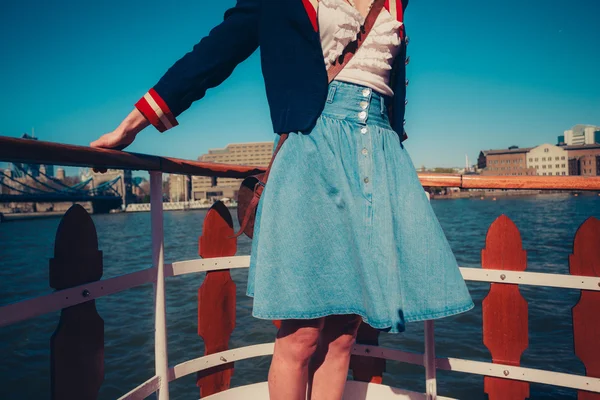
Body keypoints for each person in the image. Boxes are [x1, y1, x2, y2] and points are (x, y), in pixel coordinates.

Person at [91, 1, 474, 399]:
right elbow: (216, 52)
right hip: (314, 148)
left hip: (379, 155)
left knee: (345, 332)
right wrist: (132, 126)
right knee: (303, 333)